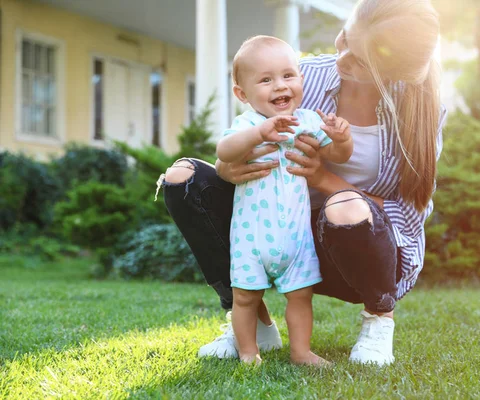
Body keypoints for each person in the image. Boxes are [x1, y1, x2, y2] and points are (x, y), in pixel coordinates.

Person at [159, 0, 447, 366]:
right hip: (271, 228)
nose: (340, 57)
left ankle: (378, 320)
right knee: (183, 179)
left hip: (349, 248)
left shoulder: (419, 111)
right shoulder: (299, 76)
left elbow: (408, 212)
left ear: (393, 74)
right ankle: (252, 322)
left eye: (358, 60)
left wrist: (325, 179)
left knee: (344, 206)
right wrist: (227, 169)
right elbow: (241, 135)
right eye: (344, 37)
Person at [216, 35, 353, 365]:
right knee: (245, 298)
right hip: (252, 240)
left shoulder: (307, 121)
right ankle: (249, 352)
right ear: (242, 94)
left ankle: (301, 351)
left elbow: (339, 156)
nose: (280, 86)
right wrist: (259, 134)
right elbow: (224, 151)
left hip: (295, 237)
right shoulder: (247, 124)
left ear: (301, 79)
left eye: (288, 75)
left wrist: (341, 138)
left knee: (301, 296)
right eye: (266, 80)